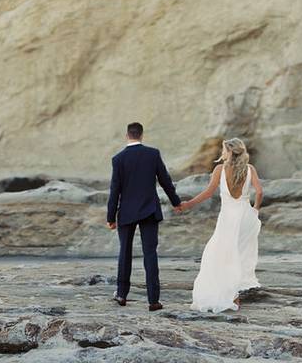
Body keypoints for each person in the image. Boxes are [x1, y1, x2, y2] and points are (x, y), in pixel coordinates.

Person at [180, 137, 263, 311]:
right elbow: (260, 191)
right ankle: (234, 294)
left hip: (228, 218)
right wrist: (255, 209)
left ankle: (232, 296)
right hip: (245, 215)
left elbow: (208, 192)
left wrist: (189, 204)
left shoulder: (220, 169)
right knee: (238, 254)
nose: (222, 153)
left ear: (231, 151)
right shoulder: (250, 169)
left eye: (224, 149)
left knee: (219, 255)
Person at [106, 121, 182, 311]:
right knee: (150, 254)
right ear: (141, 135)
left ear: (127, 135)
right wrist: (176, 202)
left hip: (126, 212)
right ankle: (153, 300)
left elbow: (115, 190)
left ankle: (122, 295)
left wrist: (110, 217)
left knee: (125, 252)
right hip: (149, 210)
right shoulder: (153, 154)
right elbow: (165, 181)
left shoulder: (118, 159)